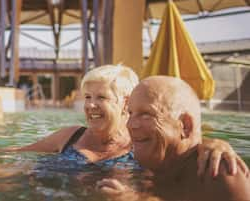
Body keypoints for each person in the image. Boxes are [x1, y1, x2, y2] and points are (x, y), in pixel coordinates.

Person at [5, 65, 245, 174]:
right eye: (87, 96)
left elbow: (181, 152)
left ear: (126, 103)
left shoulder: (144, 145)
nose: (90, 105)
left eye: (101, 97)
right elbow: (14, 154)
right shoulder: (71, 136)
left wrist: (214, 144)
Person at [96, 76, 250, 201]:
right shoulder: (153, 160)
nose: (130, 124)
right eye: (130, 113)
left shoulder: (219, 173)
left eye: (146, 114)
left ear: (185, 125)